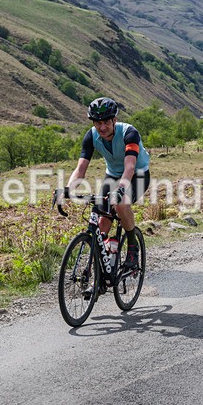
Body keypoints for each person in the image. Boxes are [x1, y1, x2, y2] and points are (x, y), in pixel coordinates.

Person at [59, 97, 151, 279]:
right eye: (98, 123)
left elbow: (130, 167)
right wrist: (68, 189)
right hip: (113, 175)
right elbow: (81, 168)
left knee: (121, 204)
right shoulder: (91, 136)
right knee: (101, 225)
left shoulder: (129, 133)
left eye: (106, 122)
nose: (102, 127)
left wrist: (121, 190)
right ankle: (106, 259)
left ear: (114, 120)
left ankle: (132, 247)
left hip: (137, 174)